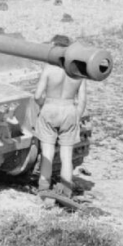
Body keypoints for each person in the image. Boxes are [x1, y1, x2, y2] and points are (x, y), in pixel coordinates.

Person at [34, 34, 87, 199]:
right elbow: (83, 100)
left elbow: (37, 96)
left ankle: (44, 188)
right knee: (67, 156)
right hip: (69, 109)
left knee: (47, 153)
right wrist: (75, 116)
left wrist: (44, 105)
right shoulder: (78, 73)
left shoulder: (49, 69)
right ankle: (66, 191)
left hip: (50, 107)